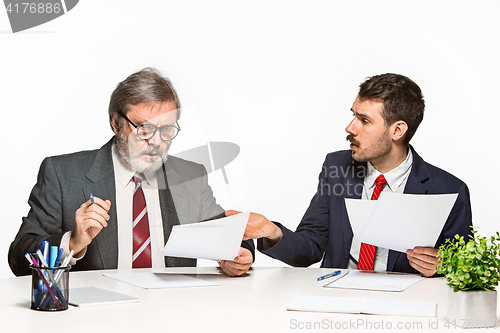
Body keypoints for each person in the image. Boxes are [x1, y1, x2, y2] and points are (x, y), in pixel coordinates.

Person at [9, 67, 254, 277]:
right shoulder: (63, 175)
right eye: (145, 129)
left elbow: (231, 238)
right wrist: (72, 242)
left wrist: (239, 255)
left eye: (167, 130)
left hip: (174, 315)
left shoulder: (190, 176)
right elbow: (19, 257)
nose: (157, 142)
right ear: (116, 122)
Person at [227, 73, 472, 277]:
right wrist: (272, 232)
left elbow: (468, 270)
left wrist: (444, 266)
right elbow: (310, 247)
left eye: (364, 120)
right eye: (353, 114)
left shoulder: (449, 189)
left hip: (405, 305)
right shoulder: (337, 168)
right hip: (338, 297)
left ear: (397, 130)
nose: (350, 127)